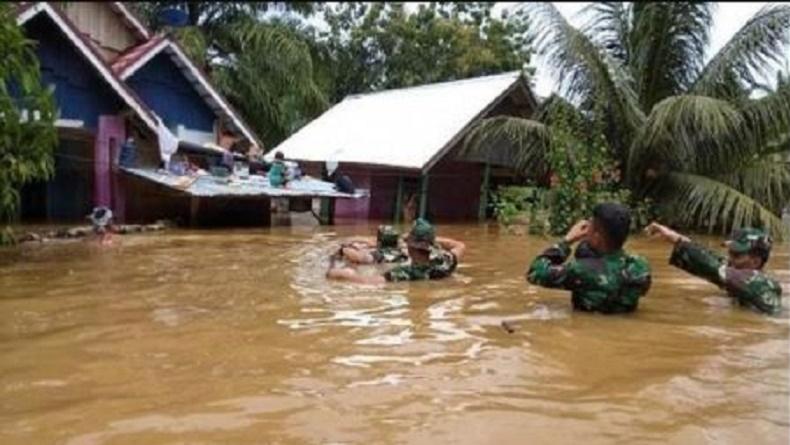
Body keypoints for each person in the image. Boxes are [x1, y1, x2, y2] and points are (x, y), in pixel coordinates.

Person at [526, 202, 652, 313]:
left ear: (597, 237)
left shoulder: (582, 270)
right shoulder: (641, 266)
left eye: (590, 226)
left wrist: (567, 241)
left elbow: (535, 272)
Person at [645, 222, 782, 315]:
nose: (730, 259)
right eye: (730, 253)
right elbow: (710, 256)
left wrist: (674, 240)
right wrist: (672, 235)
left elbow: (712, 266)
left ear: (755, 261)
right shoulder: (740, 272)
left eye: (736, 255)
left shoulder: (757, 282)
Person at [327, 218, 466, 284]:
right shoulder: (448, 260)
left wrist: (339, 271)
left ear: (411, 246)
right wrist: (430, 239)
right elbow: (459, 245)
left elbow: (366, 282)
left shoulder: (404, 273)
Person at [332, 225, 408, 265]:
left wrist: (344, 249)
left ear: (379, 242)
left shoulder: (378, 255)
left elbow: (359, 258)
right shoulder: (403, 254)